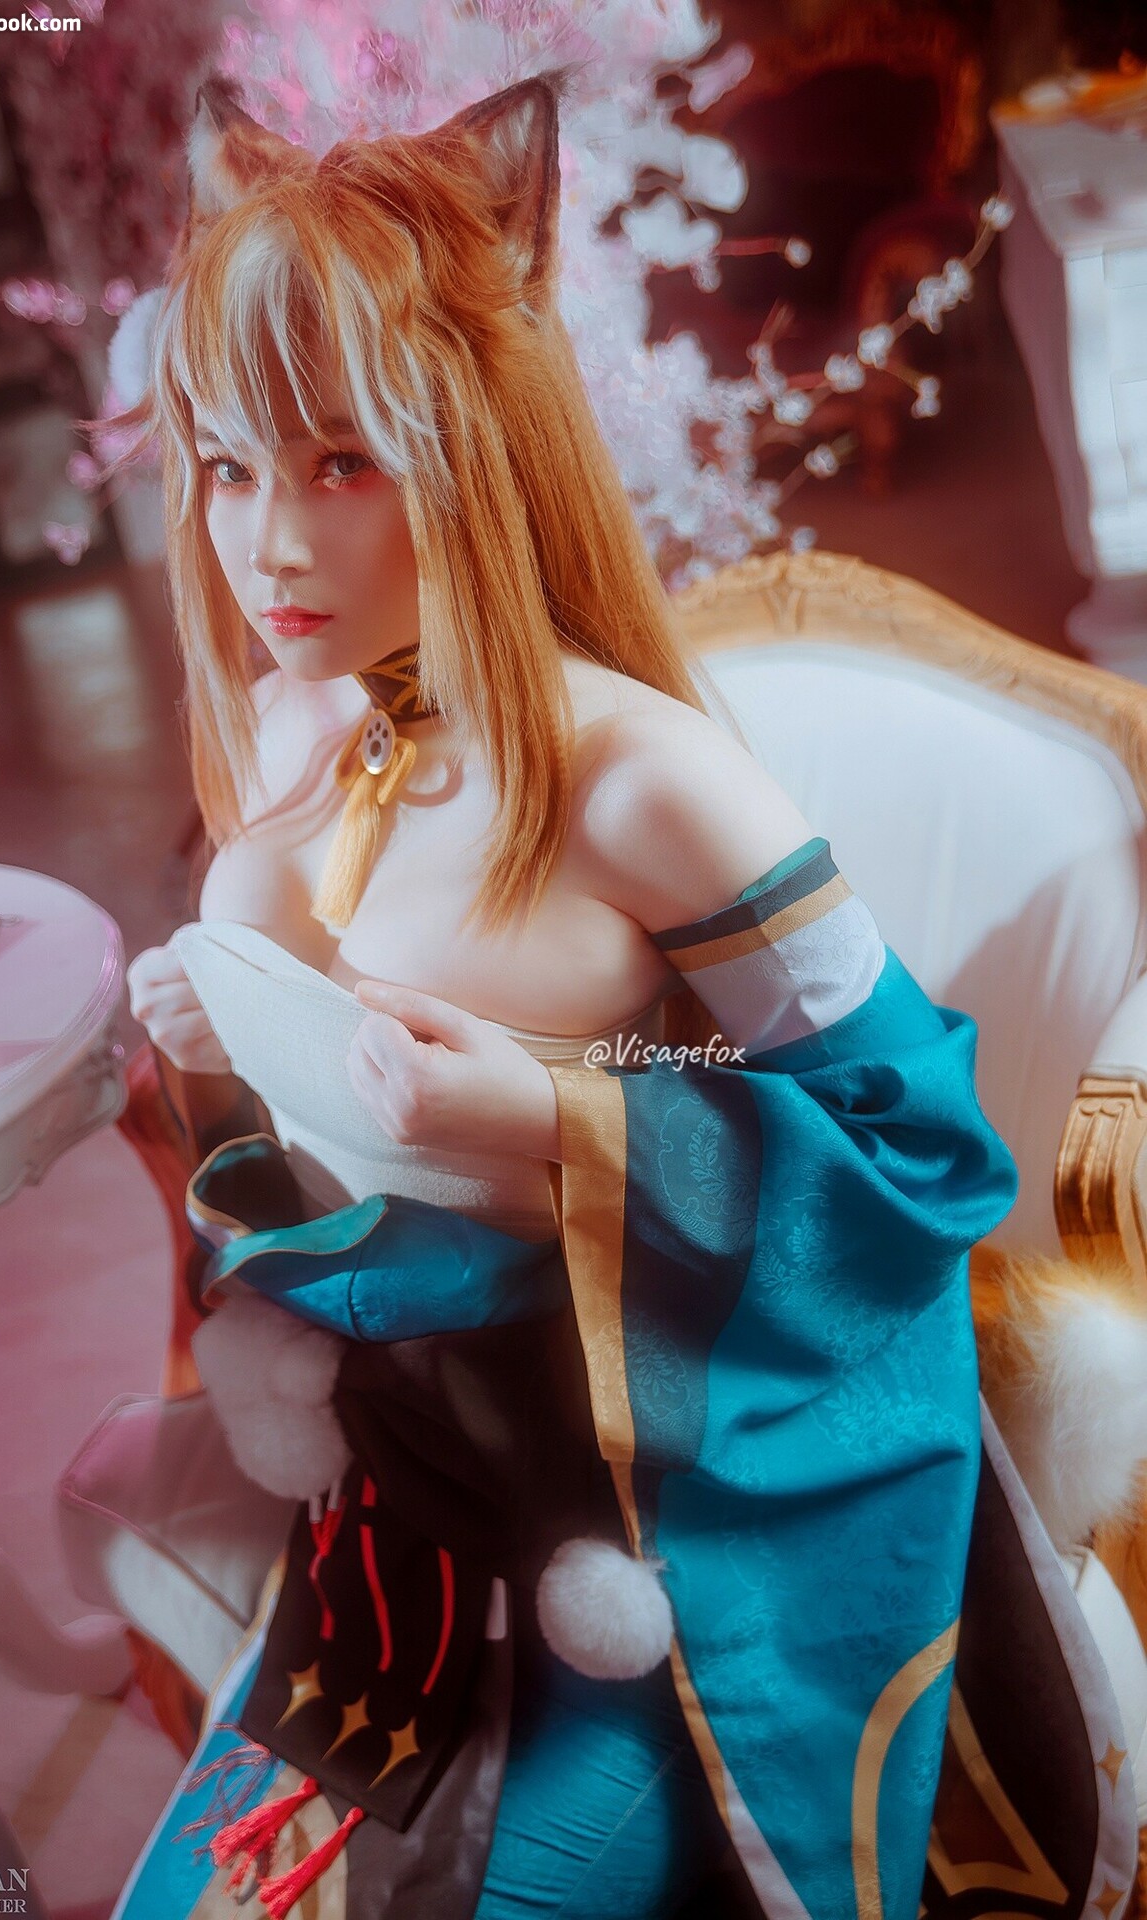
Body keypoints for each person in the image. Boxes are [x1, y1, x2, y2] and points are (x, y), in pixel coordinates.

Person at [115, 70, 1130, 1920]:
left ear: (474, 444)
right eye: (229, 462)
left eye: (342, 462)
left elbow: (924, 1156)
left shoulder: (645, 784)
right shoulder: (291, 728)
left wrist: (554, 1119)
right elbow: (305, 1151)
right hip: (404, 1504)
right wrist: (224, 1055)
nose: (268, 546)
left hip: (669, 1525)